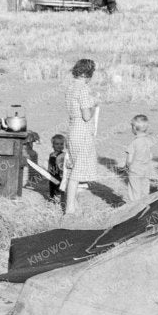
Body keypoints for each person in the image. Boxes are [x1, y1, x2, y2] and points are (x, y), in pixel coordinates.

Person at [62, 58, 101, 212]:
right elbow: (86, 115)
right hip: (82, 131)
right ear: (87, 74)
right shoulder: (83, 89)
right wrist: (94, 106)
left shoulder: (71, 87)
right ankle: (70, 208)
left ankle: (73, 204)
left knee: (74, 168)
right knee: (77, 171)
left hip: (72, 129)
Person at [123, 115, 158, 200]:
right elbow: (150, 155)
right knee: (144, 190)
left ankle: (135, 208)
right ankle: (144, 206)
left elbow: (129, 160)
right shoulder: (149, 141)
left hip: (135, 171)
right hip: (146, 169)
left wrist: (127, 166)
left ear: (134, 128)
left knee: (134, 191)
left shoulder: (133, 143)